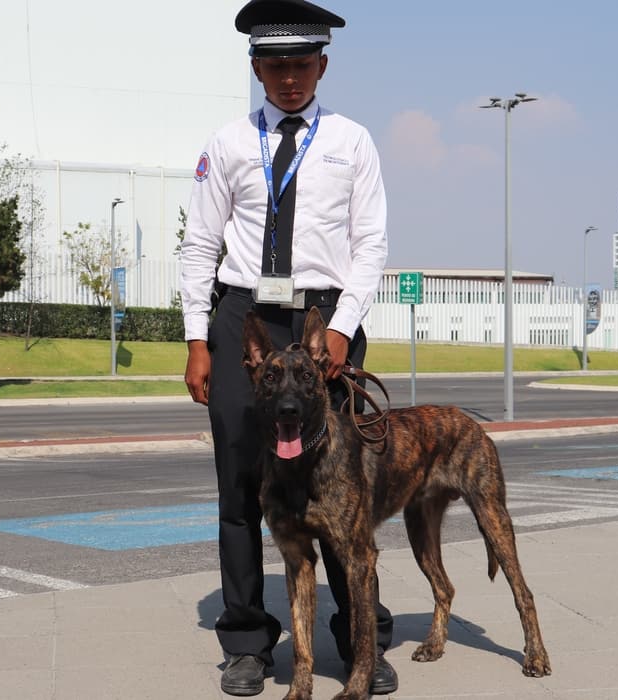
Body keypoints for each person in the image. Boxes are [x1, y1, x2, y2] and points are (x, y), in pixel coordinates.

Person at [180, 0, 396, 696]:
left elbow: (371, 247)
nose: (290, 78)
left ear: (322, 65)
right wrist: (196, 339)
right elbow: (199, 246)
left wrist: (342, 325)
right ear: (257, 69)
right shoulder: (228, 144)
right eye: (276, 66)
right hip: (244, 321)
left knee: (342, 485)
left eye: (302, 64)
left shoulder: (353, 142)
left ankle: (359, 640)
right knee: (242, 482)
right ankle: (246, 640)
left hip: (325, 318)